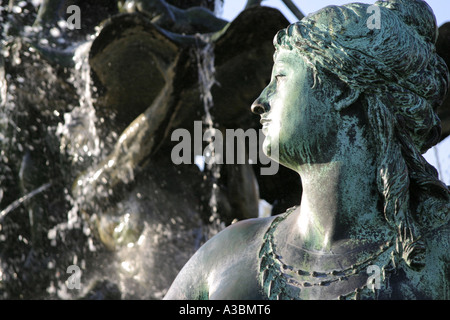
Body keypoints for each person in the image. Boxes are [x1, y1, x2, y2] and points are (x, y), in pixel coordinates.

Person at [164, 0, 450, 300]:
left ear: (342, 88)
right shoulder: (228, 250)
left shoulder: (440, 247)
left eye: (280, 78)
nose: (259, 102)